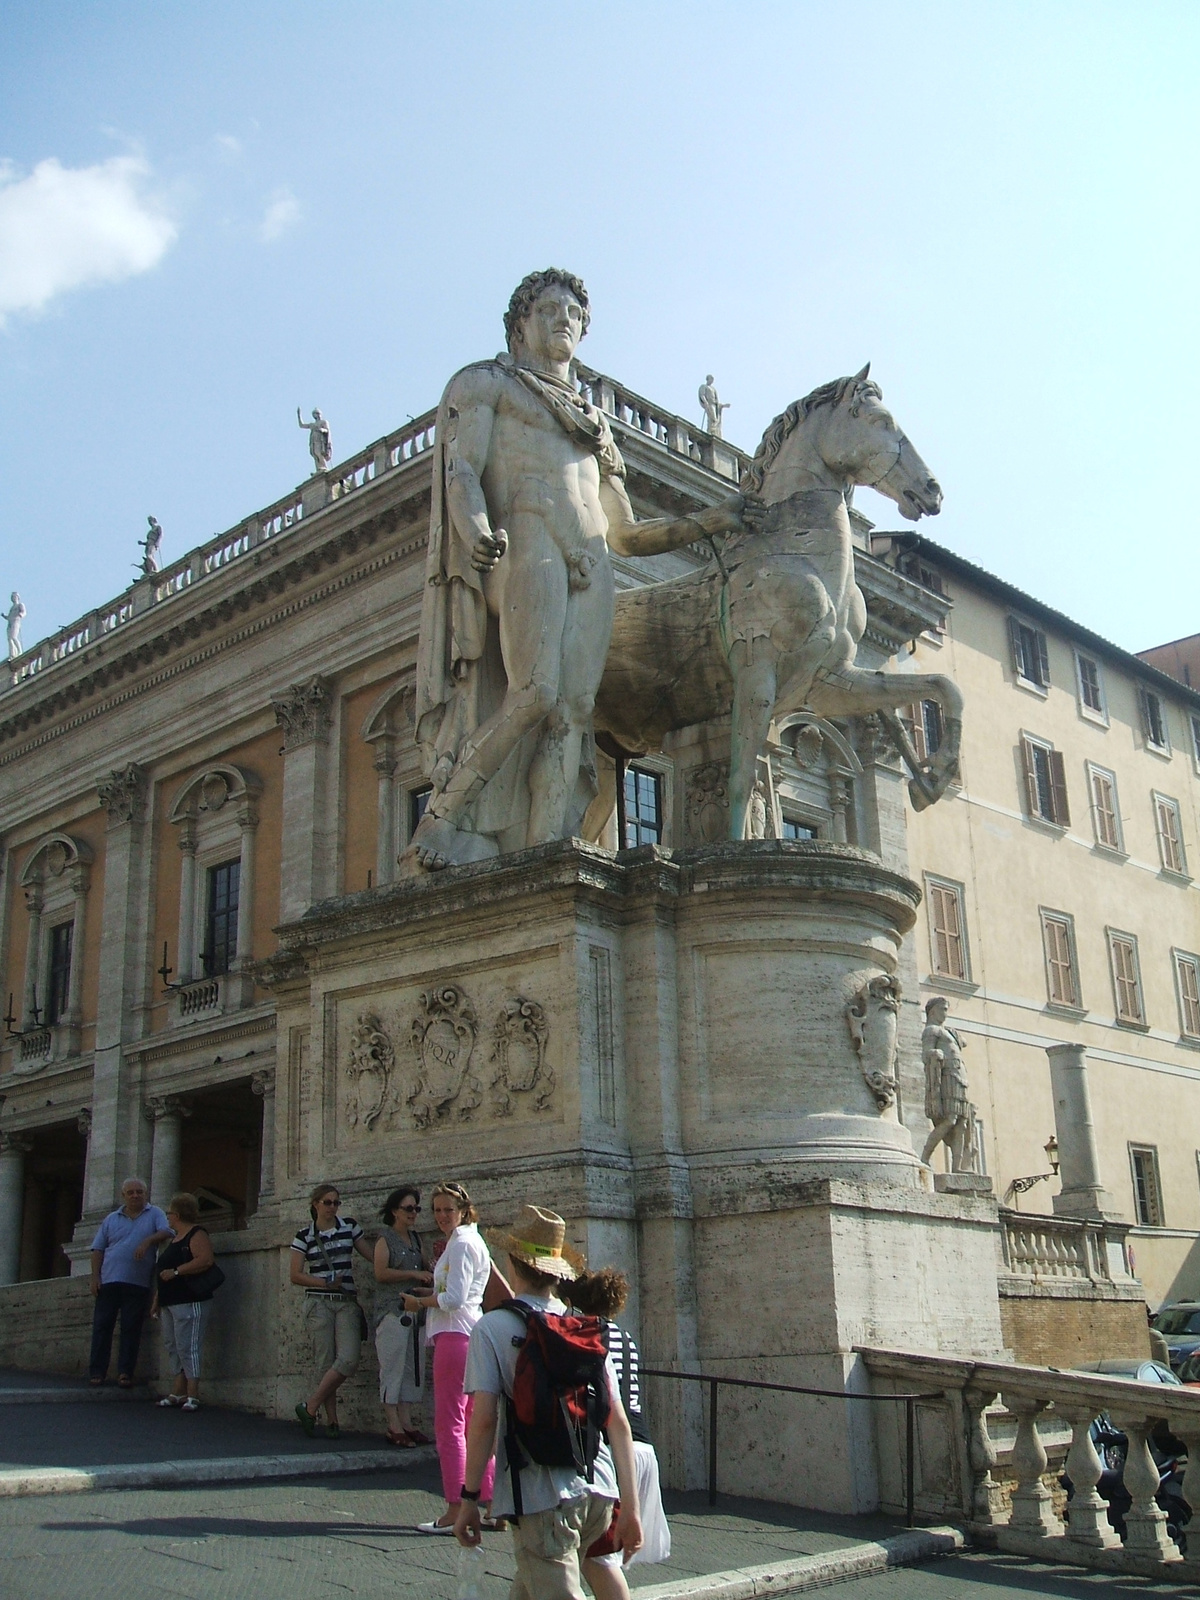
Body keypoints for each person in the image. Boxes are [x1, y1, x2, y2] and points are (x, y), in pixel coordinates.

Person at [408, 267, 750, 872]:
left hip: (591, 559)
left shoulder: (596, 428)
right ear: (521, 324)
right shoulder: (487, 385)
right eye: (548, 310)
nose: (563, 320)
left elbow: (625, 532)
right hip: (526, 533)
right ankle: (443, 818)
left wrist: (711, 521)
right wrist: (475, 530)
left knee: (572, 711)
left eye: (573, 314)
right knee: (535, 691)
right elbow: (462, 469)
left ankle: (543, 853)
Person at [455, 1204, 643, 1600]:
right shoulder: (584, 1328)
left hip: (541, 1496)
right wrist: (632, 1508)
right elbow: (618, 1422)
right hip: (599, 1488)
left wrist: (470, 1497)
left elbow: (484, 1420)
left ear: (512, 1264)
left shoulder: (492, 1328)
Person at [564, 1268, 671, 1599]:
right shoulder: (627, 1338)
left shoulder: (588, 1336)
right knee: (603, 1557)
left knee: (599, 1559)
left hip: (615, 1452)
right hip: (644, 1449)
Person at [400, 1181, 495, 1532]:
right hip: (470, 1332)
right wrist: (431, 1292)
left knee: (450, 1423)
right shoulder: (470, 1240)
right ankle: (491, 1502)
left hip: (455, 1335)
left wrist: (419, 1301)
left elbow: (453, 1299)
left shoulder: (461, 1244)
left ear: (463, 1210)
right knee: (472, 1423)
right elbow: (460, 1293)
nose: (441, 1216)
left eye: (447, 1210)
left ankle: (456, 1506)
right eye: (436, 1209)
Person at [290, 1182, 373, 1437]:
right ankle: (332, 1422)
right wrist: (323, 1282)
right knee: (324, 1362)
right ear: (315, 1204)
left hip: (345, 1300)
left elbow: (370, 1254)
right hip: (318, 1301)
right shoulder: (304, 1235)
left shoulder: (349, 1226)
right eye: (328, 1202)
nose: (333, 1207)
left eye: (336, 1202)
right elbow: (295, 1275)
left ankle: (310, 1406)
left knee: (348, 1358)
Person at [88, 1177, 172, 1387]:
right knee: (102, 1327)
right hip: (108, 1280)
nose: (135, 1195)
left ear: (146, 1194)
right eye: (131, 1192)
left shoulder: (155, 1213)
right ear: (123, 1196)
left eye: (139, 1192)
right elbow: (98, 1249)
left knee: (131, 1328)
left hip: (137, 1283)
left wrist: (147, 1241)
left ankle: (125, 1372)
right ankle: (97, 1372)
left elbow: (168, 1231)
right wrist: (95, 1276)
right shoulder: (111, 1219)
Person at [373, 1184, 434, 1446]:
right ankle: (392, 1423)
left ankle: (407, 1421)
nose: (413, 1213)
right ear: (395, 1211)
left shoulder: (416, 1239)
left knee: (413, 1367)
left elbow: (424, 1265)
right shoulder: (385, 1239)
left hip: (415, 1310)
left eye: (416, 1209)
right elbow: (380, 1273)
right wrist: (412, 1274)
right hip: (392, 1310)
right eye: (408, 1208)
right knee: (393, 1365)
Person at [150, 1192, 217, 1411]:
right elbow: (162, 1273)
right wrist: (157, 1301)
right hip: (170, 1300)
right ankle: (178, 1389)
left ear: (177, 1214)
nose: (168, 1217)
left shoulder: (196, 1234)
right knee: (173, 1344)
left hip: (190, 1299)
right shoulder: (175, 1238)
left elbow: (205, 1260)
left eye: (169, 1213)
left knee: (189, 1346)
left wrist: (177, 1272)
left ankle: (193, 1392)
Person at [297, 407, 332, 474]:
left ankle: (324, 466)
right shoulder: (312, 424)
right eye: (315, 414)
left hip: (320, 440)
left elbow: (327, 430)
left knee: (319, 453)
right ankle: (318, 468)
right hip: (313, 440)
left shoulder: (324, 422)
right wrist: (299, 415)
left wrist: (322, 430)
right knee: (315, 454)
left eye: (318, 413)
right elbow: (302, 425)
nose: (317, 415)